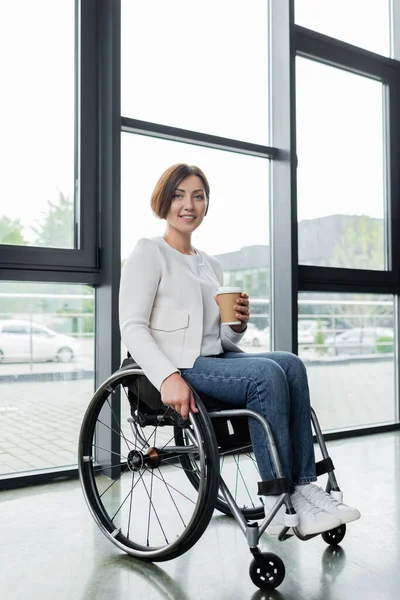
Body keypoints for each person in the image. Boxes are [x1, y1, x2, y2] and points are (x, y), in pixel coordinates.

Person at [119, 163, 360, 536]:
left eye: (198, 196)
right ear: (163, 201)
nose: (189, 204)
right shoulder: (149, 252)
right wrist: (167, 376)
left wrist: (238, 326)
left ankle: (304, 487)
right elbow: (132, 325)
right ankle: (278, 500)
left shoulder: (209, 264)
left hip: (213, 358)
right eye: (180, 195)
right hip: (178, 365)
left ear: (206, 204)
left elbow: (218, 339)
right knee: (265, 376)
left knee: (290, 364)